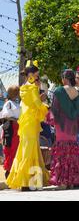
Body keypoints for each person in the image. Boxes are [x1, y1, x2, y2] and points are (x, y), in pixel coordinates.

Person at [6, 62, 49, 191]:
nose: (37, 77)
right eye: (36, 74)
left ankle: (28, 181)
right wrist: (45, 104)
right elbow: (36, 104)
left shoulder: (24, 86)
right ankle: (27, 182)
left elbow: (30, 103)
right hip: (30, 121)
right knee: (30, 150)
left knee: (26, 149)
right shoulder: (31, 87)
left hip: (26, 121)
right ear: (30, 74)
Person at [49, 69, 79, 189]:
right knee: (71, 151)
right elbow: (78, 110)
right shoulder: (77, 92)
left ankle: (62, 181)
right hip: (73, 125)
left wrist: (52, 119)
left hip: (61, 125)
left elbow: (54, 109)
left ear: (64, 78)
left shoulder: (58, 91)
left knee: (61, 151)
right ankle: (72, 181)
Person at [1, 85, 20, 179]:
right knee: (11, 150)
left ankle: (14, 173)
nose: (18, 94)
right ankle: (9, 173)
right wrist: (15, 120)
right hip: (12, 128)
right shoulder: (8, 103)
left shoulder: (16, 103)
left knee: (16, 150)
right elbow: (5, 116)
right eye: (17, 92)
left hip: (18, 128)